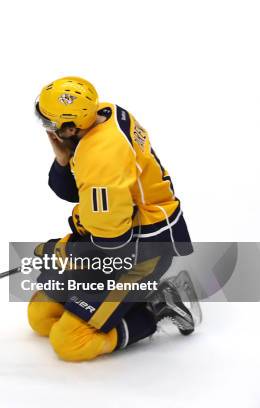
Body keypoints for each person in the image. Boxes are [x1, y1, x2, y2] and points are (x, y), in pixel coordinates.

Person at [28, 76, 199, 362]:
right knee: (41, 317)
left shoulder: (102, 159)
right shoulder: (103, 113)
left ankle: (158, 305)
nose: (48, 130)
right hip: (115, 232)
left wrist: (62, 250)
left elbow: (112, 247)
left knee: (69, 343)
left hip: (140, 252)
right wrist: (62, 160)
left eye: (50, 124)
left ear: (71, 126)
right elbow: (76, 193)